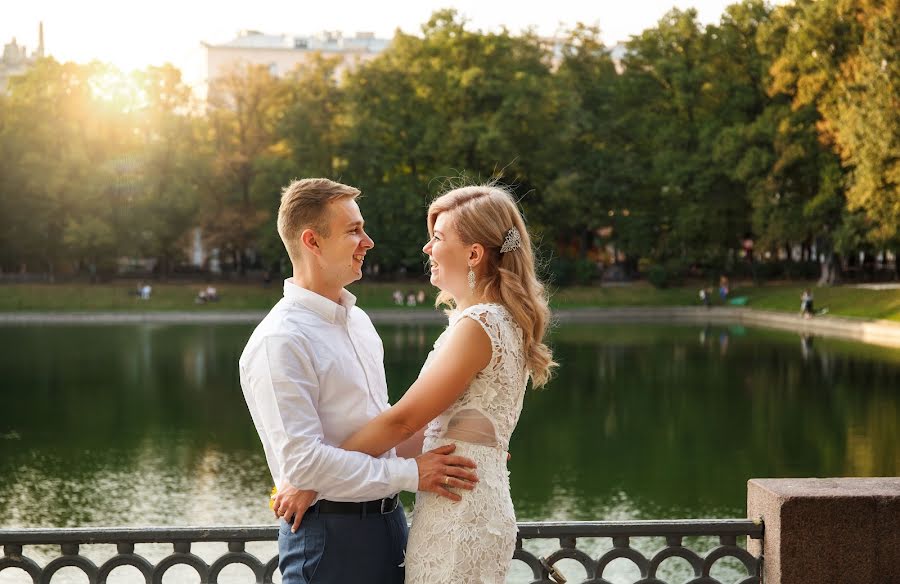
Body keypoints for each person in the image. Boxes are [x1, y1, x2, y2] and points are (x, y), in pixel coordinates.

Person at [290, 184, 556, 582]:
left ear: (473, 254)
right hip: (466, 501)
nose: (427, 249)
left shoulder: (478, 325)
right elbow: (429, 433)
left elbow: (403, 421)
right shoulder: (501, 321)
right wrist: (339, 471)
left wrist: (310, 482)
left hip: (460, 514)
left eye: (437, 237)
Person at [239, 178, 478, 584]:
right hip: (329, 542)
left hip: (392, 528)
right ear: (312, 242)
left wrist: (470, 448)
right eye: (354, 231)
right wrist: (411, 474)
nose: (367, 241)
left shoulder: (360, 322)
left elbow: (380, 431)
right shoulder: (280, 340)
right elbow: (304, 464)